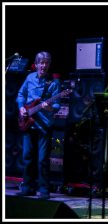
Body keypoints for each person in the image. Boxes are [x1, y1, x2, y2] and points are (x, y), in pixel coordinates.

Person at [16, 51, 61, 199]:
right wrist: (22, 107)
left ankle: (44, 190)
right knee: (27, 157)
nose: (43, 65)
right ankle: (27, 187)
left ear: (49, 65)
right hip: (29, 124)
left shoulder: (53, 83)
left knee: (42, 159)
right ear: (36, 64)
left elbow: (57, 105)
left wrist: (49, 107)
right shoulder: (29, 78)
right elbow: (20, 95)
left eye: (46, 63)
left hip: (44, 125)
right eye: (41, 63)